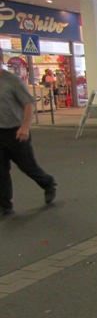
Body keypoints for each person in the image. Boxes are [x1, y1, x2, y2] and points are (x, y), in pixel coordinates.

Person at [0, 47, 56, 216]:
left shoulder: (12, 81)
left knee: (28, 167)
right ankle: (5, 206)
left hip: (16, 131)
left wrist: (25, 127)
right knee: (0, 171)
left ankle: (48, 183)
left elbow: (28, 104)